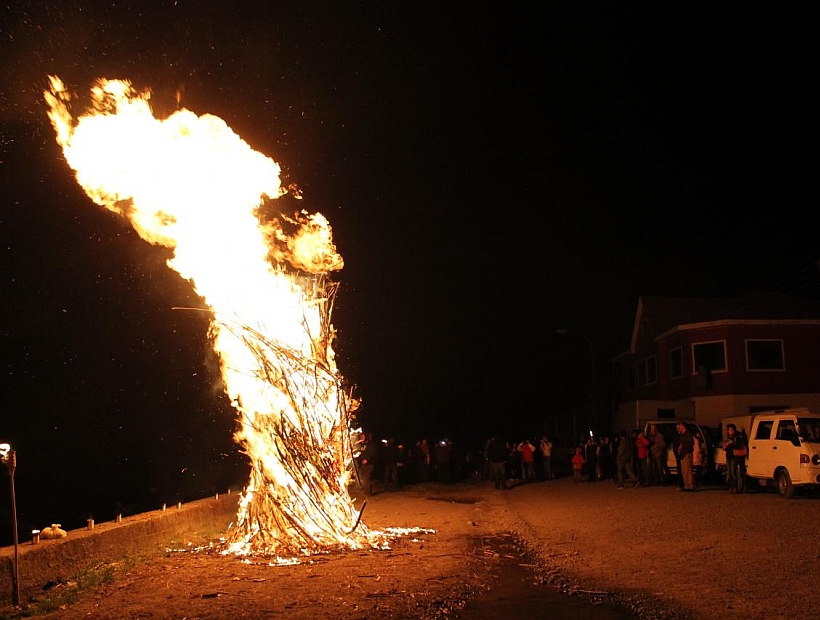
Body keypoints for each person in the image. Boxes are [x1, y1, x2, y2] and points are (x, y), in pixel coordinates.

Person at [723, 423, 747, 494]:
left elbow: (738, 446)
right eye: (729, 430)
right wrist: (725, 447)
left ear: (734, 430)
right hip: (728, 456)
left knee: (733, 473)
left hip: (734, 457)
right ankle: (731, 487)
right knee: (729, 473)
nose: (730, 431)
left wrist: (730, 445)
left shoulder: (737, 437)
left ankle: (735, 487)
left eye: (731, 429)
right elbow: (726, 448)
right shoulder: (728, 437)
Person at [355, 432, 375, 496]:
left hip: (369, 463)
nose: (362, 438)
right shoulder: (361, 445)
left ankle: (368, 492)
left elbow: (372, 453)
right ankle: (366, 489)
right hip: (363, 464)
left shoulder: (369, 444)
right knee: (363, 477)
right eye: (361, 437)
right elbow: (360, 454)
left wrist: (367, 459)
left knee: (367, 477)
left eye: (363, 437)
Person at [676, 422, 695, 492]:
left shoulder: (688, 434)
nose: (679, 428)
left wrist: (683, 446)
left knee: (688, 470)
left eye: (680, 426)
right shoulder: (681, 434)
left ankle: (690, 485)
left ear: (683, 426)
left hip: (687, 454)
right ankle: (686, 485)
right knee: (684, 471)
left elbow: (691, 443)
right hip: (682, 454)